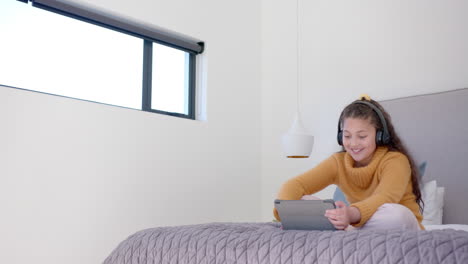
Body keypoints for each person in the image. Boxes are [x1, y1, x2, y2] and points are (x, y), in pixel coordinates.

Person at [273, 94, 424, 231]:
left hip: (400, 225)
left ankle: (348, 230)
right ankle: (348, 230)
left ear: (380, 136)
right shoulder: (338, 162)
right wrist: (284, 215)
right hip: (356, 223)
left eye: (362, 136)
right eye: (347, 136)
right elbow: (295, 184)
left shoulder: (396, 161)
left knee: (396, 213)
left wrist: (350, 214)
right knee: (301, 200)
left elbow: (384, 197)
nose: (353, 143)